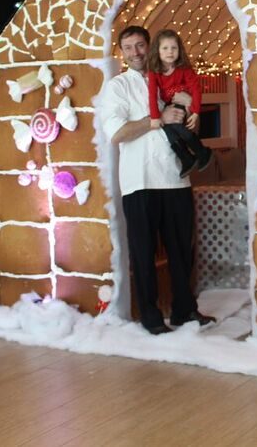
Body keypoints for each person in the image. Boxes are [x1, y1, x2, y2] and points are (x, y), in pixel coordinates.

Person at [98, 25, 215, 335]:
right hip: (139, 181)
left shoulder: (166, 75)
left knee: (181, 250)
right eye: (129, 47)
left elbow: (188, 106)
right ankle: (150, 316)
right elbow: (117, 134)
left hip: (176, 177)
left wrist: (193, 113)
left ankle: (184, 311)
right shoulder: (117, 87)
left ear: (150, 47)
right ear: (121, 52)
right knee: (144, 250)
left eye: (140, 45)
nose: (136, 52)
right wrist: (155, 120)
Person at [147, 29, 213, 177]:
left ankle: (201, 151)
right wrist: (155, 117)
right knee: (167, 128)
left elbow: (196, 89)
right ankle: (186, 157)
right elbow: (152, 94)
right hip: (168, 103)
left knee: (175, 122)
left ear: (179, 50)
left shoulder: (183, 69)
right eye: (165, 48)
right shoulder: (154, 72)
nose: (170, 52)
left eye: (174, 48)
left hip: (183, 100)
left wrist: (195, 111)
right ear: (157, 51)